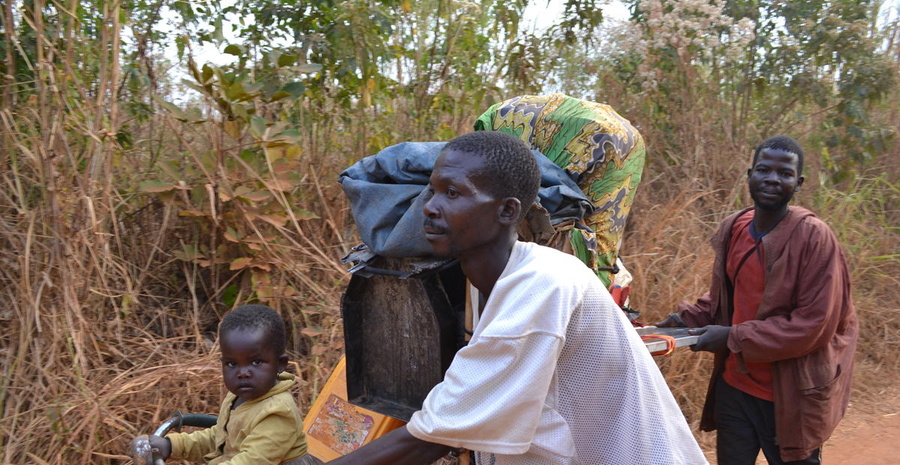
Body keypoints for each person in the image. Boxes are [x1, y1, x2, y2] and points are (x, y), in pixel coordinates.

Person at [328, 130, 708, 465]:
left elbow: (432, 437)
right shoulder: (490, 280)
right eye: (433, 190)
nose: (429, 206)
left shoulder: (544, 285)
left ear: (508, 210)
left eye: (454, 193)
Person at [656, 135, 858, 465]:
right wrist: (686, 320)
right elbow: (725, 297)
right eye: (764, 170)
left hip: (789, 396)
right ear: (750, 173)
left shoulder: (814, 237)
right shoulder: (736, 226)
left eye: (784, 173)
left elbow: (814, 325)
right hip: (735, 387)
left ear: (799, 182)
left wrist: (731, 337)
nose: (772, 179)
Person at [133, 304, 316, 465]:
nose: (243, 373)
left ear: (280, 364)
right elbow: (220, 439)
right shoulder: (238, 396)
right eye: (232, 364)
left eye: (257, 362)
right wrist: (172, 446)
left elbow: (252, 461)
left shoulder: (278, 413)